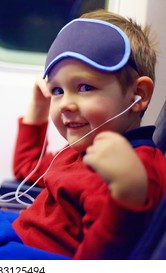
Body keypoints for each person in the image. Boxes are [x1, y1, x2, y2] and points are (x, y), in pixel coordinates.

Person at [11, 9, 166, 259]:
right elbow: (27, 167)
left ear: (139, 95)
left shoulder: (133, 171)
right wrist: (38, 110)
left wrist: (127, 193)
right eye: (58, 90)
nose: (65, 104)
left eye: (84, 87)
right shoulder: (82, 152)